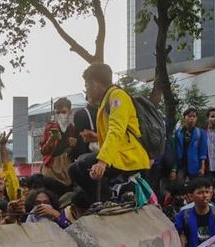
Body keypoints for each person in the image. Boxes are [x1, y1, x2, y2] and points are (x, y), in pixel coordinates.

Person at [69, 63, 150, 202]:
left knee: (79, 166)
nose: (86, 91)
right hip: (118, 155)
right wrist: (95, 137)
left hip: (128, 157)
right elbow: (117, 134)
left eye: (87, 86)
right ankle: (106, 199)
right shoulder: (107, 100)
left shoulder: (117, 97)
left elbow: (116, 131)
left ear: (94, 84)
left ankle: (107, 201)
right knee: (77, 166)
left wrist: (102, 162)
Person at [174, 177, 215, 247]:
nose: (205, 195)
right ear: (191, 196)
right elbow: (175, 232)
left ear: (211, 194)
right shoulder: (184, 215)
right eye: (200, 193)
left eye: (207, 192)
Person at [39, 97, 77, 191]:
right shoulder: (50, 128)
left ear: (70, 112)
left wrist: (74, 146)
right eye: (58, 113)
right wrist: (50, 141)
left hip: (67, 170)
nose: (61, 115)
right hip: (51, 168)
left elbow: (77, 152)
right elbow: (43, 151)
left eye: (64, 112)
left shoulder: (73, 129)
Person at [175, 108, 208, 181]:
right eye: (189, 116)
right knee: (180, 186)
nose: (192, 118)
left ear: (196, 118)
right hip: (181, 165)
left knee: (194, 187)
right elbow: (175, 149)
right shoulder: (178, 132)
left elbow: (203, 151)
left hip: (195, 165)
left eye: (194, 116)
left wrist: (202, 167)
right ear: (184, 118)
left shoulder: (200, 132)